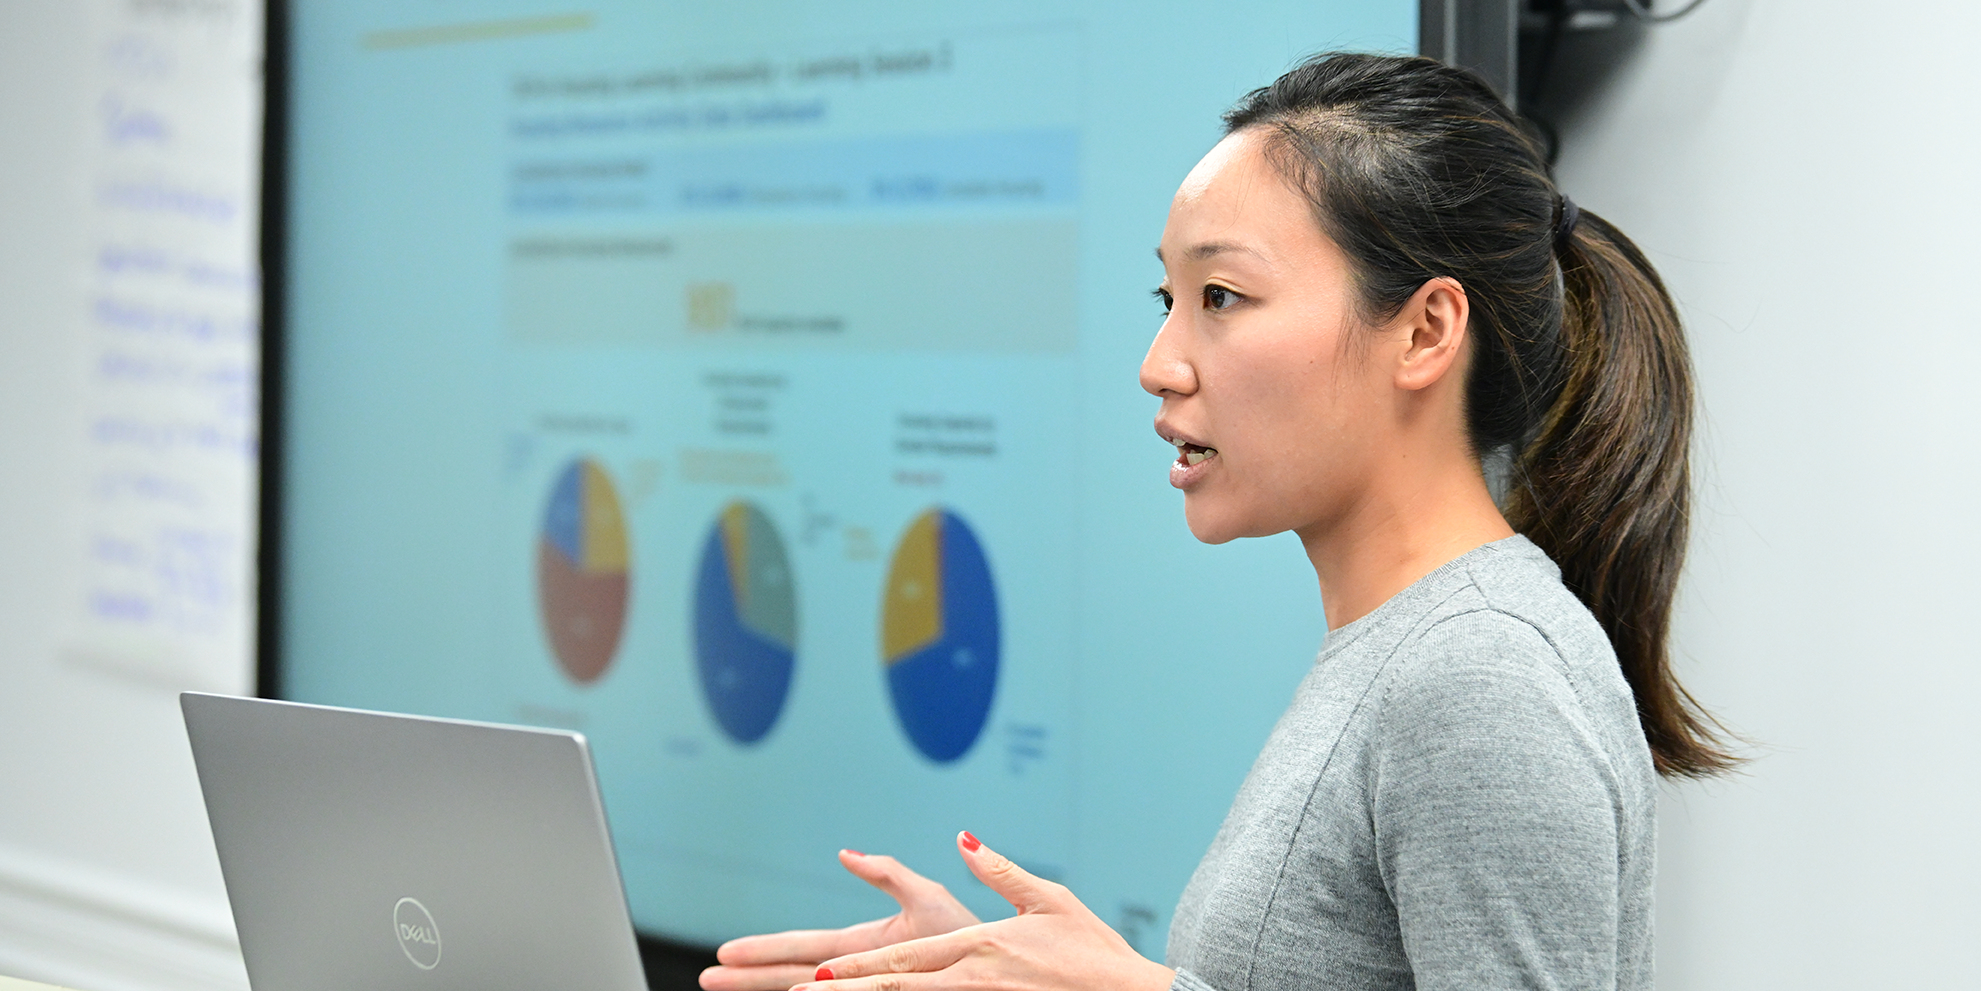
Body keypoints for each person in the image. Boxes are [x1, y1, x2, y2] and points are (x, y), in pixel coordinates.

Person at [698, 51, 1736, 991]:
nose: (1160, 365)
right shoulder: (1412, 650)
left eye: (1223, 297)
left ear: (1424, 331)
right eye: (1170, 299)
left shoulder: (1478, 676)